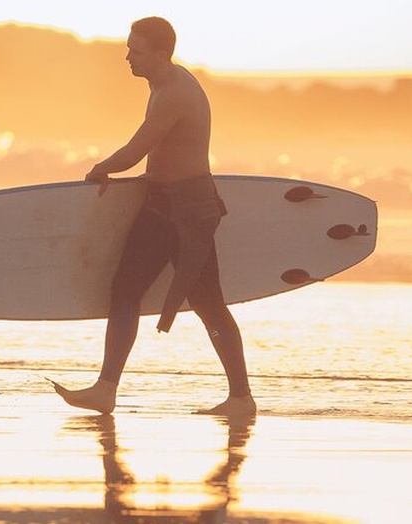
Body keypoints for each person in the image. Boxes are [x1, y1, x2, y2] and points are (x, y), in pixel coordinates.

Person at [51, 17, 256, 418]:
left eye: (136, 50)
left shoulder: (177, 93)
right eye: (129, 47)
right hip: (161, 203)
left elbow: (136, 150)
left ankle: (241, 398)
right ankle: (105, 388)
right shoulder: (161, 85)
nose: (127, 56)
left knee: (208, 304)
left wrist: (100, 169)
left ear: (161, 54)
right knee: (126, 290)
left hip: (188, 212)